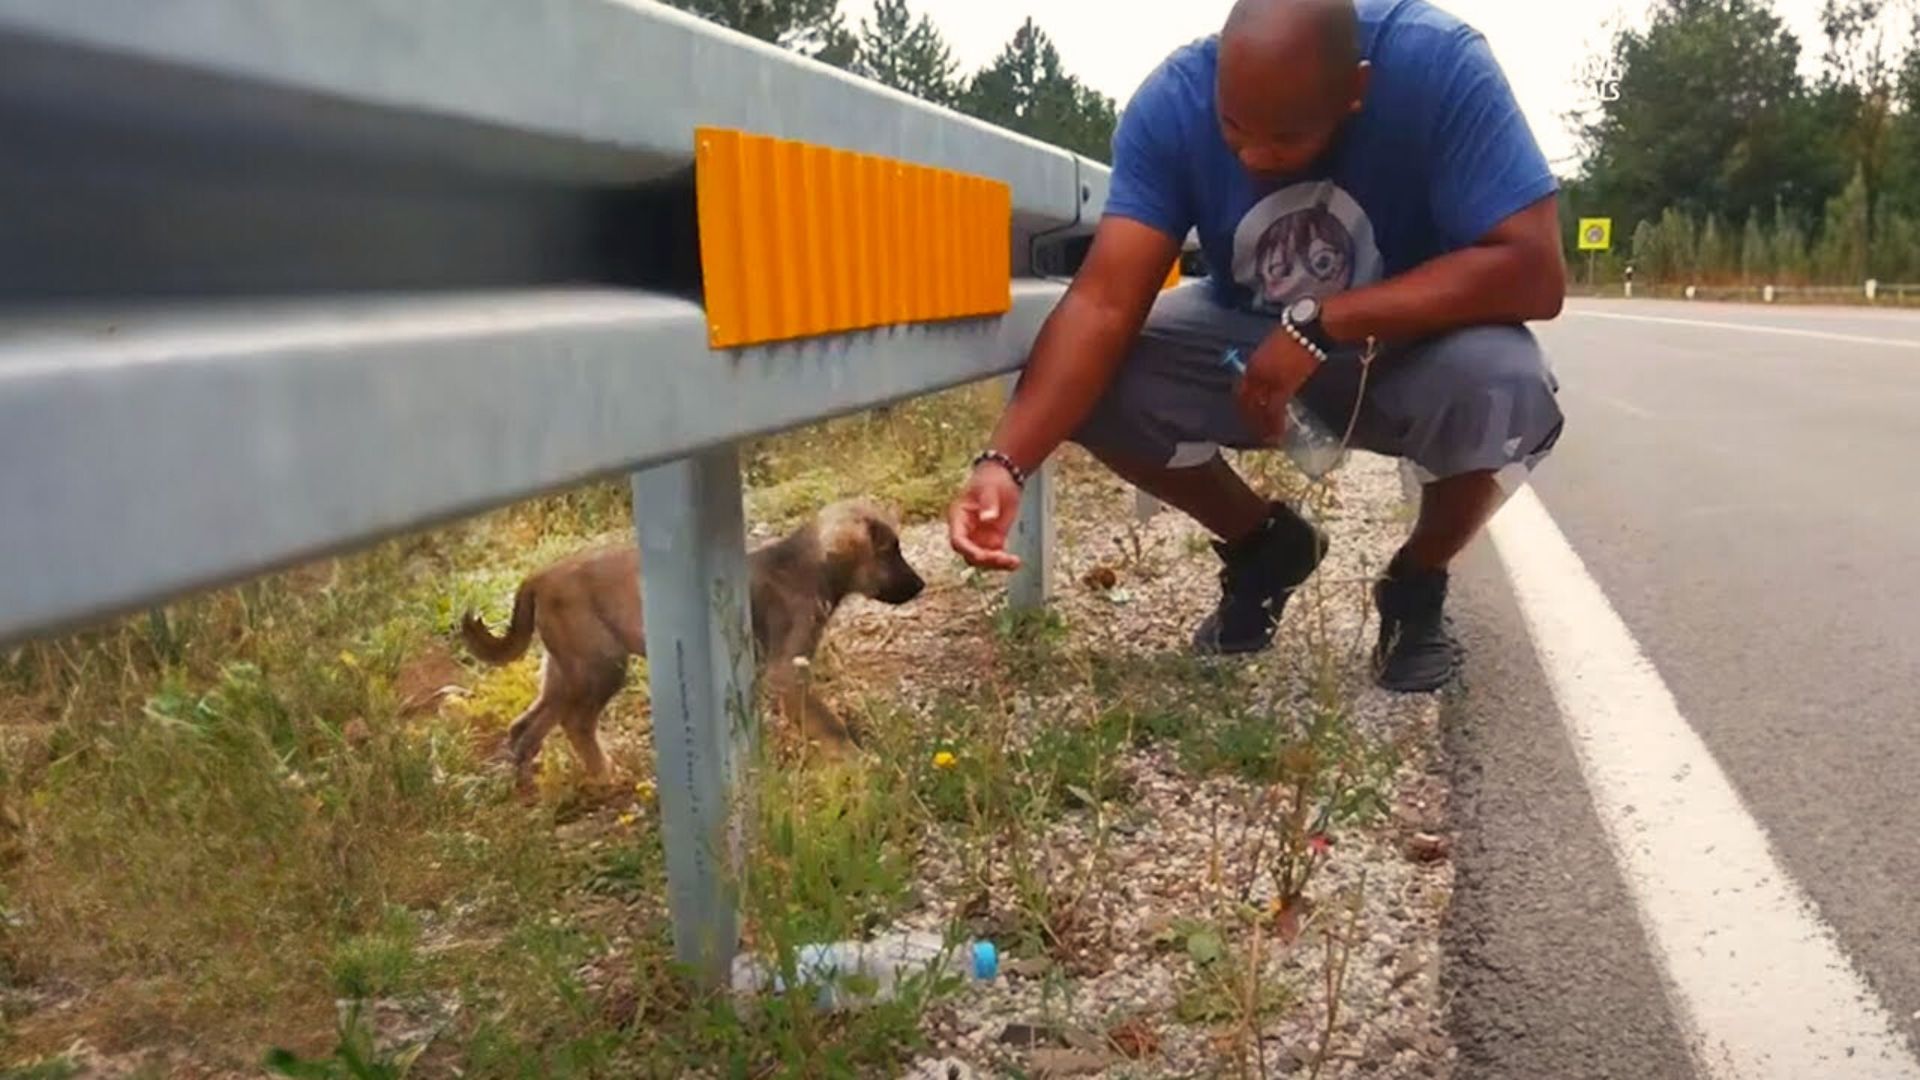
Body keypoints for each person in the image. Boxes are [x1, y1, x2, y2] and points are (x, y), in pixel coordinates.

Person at [946, 0, 1567, 692]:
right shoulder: (1176, 100)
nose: (1254, 157)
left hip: (1412, 350)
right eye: (1234, 128)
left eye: (1286, 138)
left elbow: (1534, 272)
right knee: (1098, 378)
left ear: (1356, 90)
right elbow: (1103, 302)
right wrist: (1006, 463)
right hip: (1244, 344)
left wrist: (1322, 322)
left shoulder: (1439, 66)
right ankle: (1266, 547)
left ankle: (1416, 581)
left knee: (1507, 381)